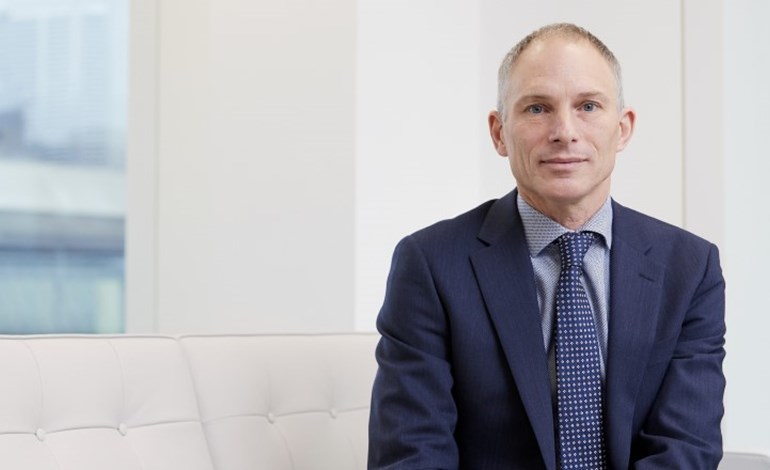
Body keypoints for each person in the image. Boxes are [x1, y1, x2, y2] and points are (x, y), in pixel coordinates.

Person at [367, 23, 726, 470]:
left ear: (623, 129)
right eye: (537, 108)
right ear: (499, 133)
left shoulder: (689, 268)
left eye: (588, 106)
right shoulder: (431, 265)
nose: (565, 131)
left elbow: (686, 449)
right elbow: (412, 454)